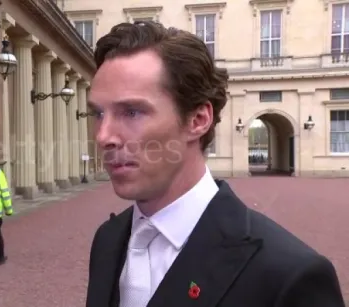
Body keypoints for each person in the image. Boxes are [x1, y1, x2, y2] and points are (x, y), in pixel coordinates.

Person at [85, 22, 344, 307]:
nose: (103, 136)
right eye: (98, 113)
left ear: (198, 120)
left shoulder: (290, 276)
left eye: (132, 112)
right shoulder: (107, 240)